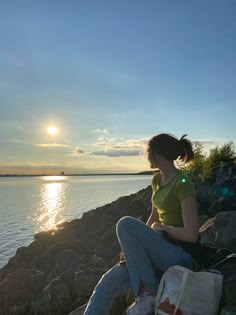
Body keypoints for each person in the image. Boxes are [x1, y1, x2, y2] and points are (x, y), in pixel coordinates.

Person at [83, 133, 199, 315]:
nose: (146, 156)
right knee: (105, 284)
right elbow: (153, 218)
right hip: (155, 250)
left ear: (157, 154)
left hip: (178, 255)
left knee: (124, 223)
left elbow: (192, 235)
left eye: (148, 152)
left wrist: (165, 228)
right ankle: (148, 292)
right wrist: (131, 247)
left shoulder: (182, 183)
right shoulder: (156, 180)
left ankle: (151, 293)